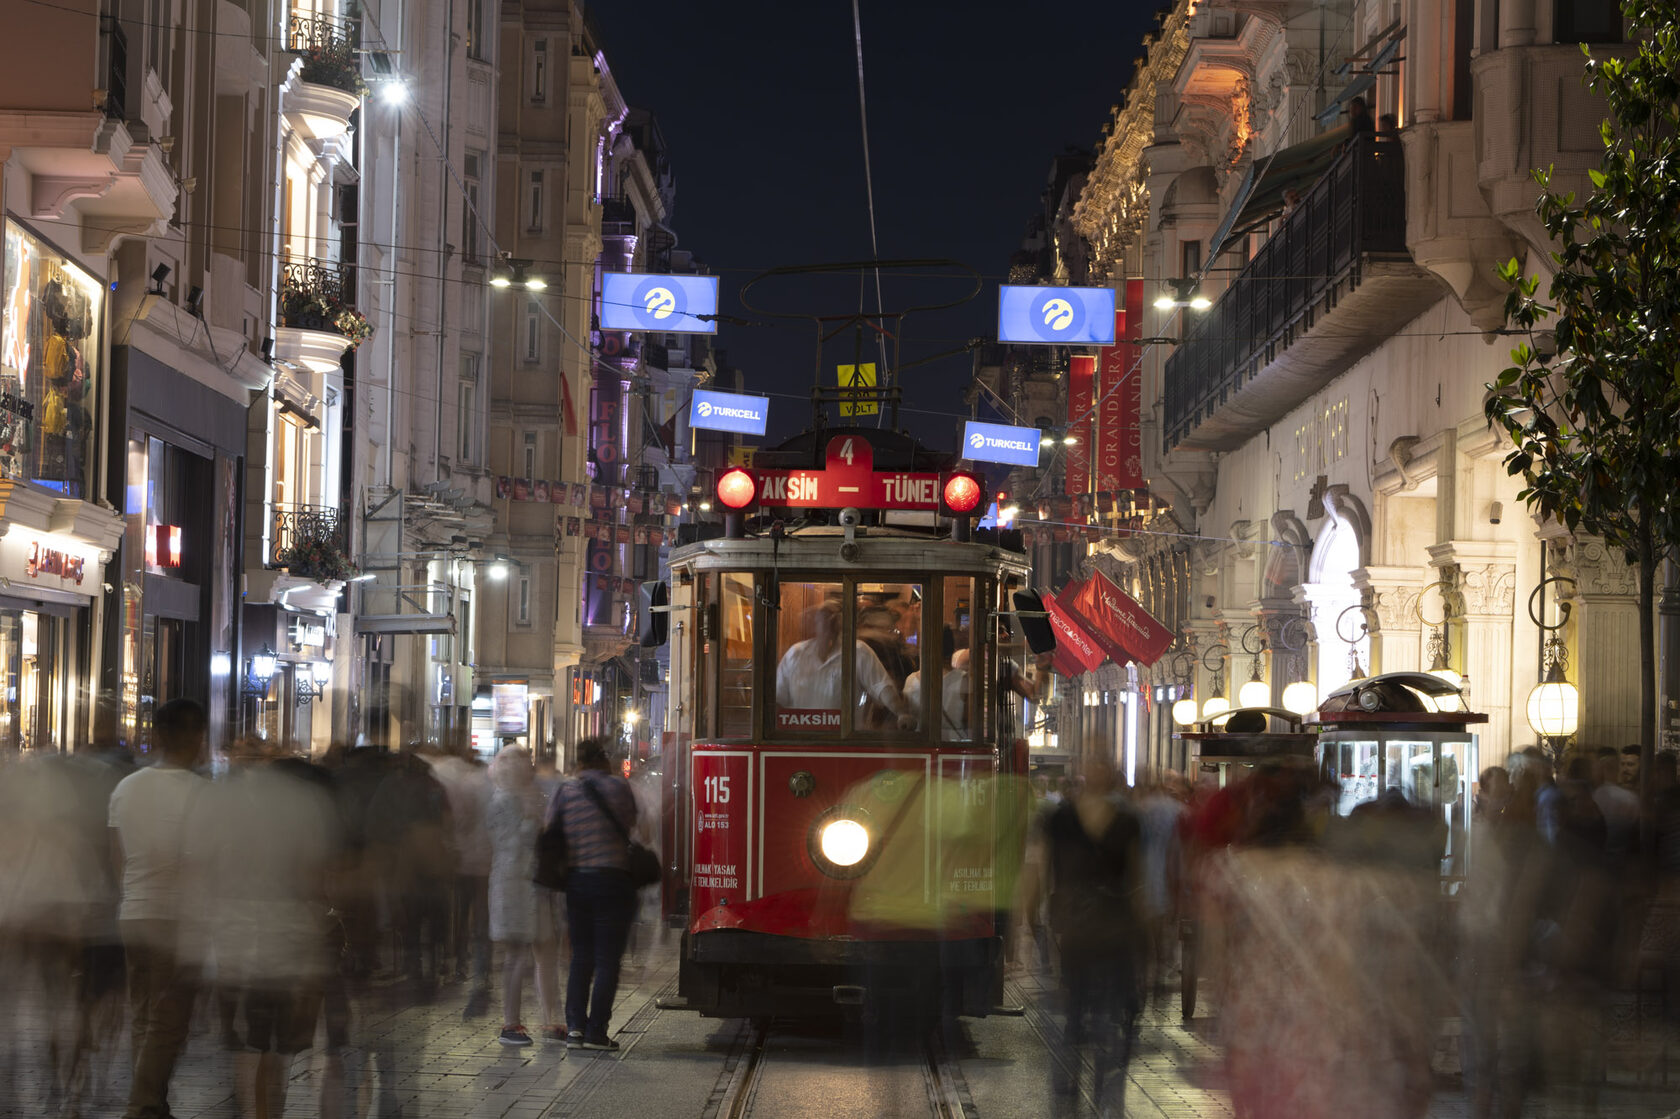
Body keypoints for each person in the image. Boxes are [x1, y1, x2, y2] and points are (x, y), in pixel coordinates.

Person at [107, 698, 209, 1119]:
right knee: (169, 1022)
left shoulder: (126, 788)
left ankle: (153, 1102)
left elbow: (116, 856)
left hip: (134, 912)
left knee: (145, 1015)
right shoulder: (200, 792)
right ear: (193, 736)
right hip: (175, 916)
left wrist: (131, 893)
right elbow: (202, 861)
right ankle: (143, 1105)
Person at [1039, 756, 1144, 1117]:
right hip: (1078, 937)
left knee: (1112, 1023)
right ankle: (1068, 1101)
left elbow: (1137, 880)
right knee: (1075, 1018)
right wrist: (1043, 923)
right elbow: (1048, 871)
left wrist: (1148, 941)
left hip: (1116, 934)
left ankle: (1106, 1102)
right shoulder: (1061, 819)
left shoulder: (1128, 822)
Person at [552, 737, 639, 1051]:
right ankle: (596, 1032)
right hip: (613, 881)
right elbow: (630, 822)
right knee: (607, 960)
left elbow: (552, 829)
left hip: (577, 881)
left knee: (581, 957)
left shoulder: (566, 790)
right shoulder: (619, 787)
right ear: (604, 760)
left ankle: (575, 1027)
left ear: (579, 761)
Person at [485, 746, 561, 1046]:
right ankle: (511, 1023)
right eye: (525, 765)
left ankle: (550, 1019)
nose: (530, 770)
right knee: (517, 954)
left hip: (530, 885)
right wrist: (533, 821)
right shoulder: (503, 801)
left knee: (546, 950)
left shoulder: (520, 797)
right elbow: (512, 845)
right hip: (513, 886)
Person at [775, 603, 915, 729]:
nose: (828, 624)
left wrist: (901, 713)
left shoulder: (858, 651)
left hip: (844, 743)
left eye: (832, 619)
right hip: (799, 742)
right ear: (814, 624)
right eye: (823, 619)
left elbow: (882, 687)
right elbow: (778, 697)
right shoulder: (795, 654)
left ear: (839, 623)